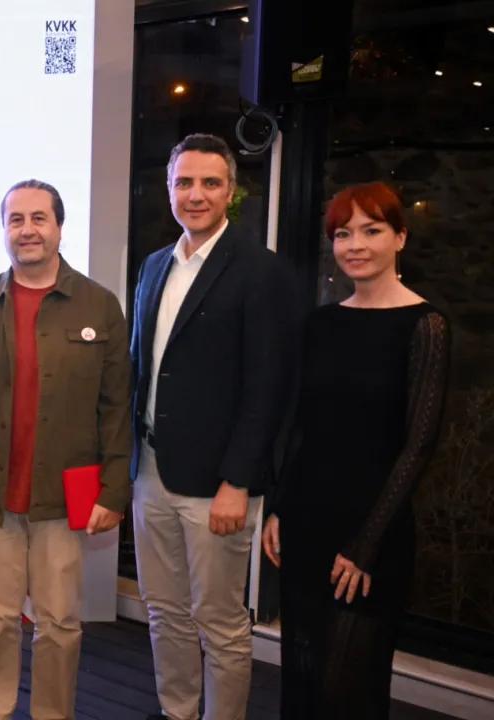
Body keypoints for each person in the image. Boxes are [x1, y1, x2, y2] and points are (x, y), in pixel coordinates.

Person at [0, 179, 131, 719]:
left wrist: (113, 490)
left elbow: (117, 408)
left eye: (39, 218)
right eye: (16, 219)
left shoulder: (99, 305)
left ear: (59, 227)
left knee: (60, 623)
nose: (27, 230)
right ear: (4, 229)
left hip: (63, 500)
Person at [262, 182, 450, 718]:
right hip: (307, 522)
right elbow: (303, 428)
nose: (356, 245)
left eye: (372, 230)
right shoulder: (321, 323)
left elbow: (418, 446)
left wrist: (366, 546)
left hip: (372, 531)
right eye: (343, 234)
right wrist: (280, 508)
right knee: (303, 674)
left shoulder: (426, 326)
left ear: (400, 237)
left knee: (350, 690)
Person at [129, 133, 298, 720]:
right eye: (184, 182)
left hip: (218, 484)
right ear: (168, 188)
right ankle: (178, 711)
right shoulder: (155, 265)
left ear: (231, 192)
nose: (195, 194)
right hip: (150, 471)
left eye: (209, 183)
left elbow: (267, 387)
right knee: (163, 609)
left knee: (220, 620)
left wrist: (238, 481)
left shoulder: (262, 272)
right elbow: (144, 368)